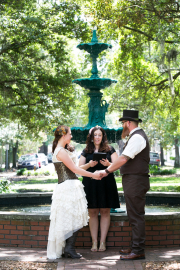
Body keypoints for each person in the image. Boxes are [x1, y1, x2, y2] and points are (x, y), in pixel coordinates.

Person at [98, 110, 150, 260]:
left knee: (136, 216)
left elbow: (123, 159)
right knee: (134, 215)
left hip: (136, 181)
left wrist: (107, 170)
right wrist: (111, 165)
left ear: (128, 123)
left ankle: (138, 250)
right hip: (134, 181)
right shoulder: (136, 137)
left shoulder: (137, 137)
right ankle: (135, 247)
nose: (122, 126)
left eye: (122, 123)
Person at [47, 125, 101, 260]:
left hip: (69, 186)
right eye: (70, 134)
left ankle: (69, 248)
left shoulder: (61, 150)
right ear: (63, 135)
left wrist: (89, 165)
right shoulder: (61, 151)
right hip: (68, 187)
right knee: (72, 218)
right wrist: (93, 175)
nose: (71, 136)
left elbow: (74, 168)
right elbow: (75, 171)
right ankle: (69, 248)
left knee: (73, 217)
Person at [79, 126, 120, 252]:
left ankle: (102, 242)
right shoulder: (86, 150)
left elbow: (118, 165)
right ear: (91, 137)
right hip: (90, 184)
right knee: (92, 212)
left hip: (106, 183)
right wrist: (89, 164)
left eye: (99, 135)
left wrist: (108, 165)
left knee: (105, 211)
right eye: (95, 135)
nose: (97, 137)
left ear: (103, 137)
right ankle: (94, 242)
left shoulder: (110, 149)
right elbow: (79, 168)